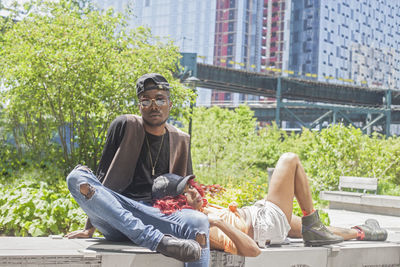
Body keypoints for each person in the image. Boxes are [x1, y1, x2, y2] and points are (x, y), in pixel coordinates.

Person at [65, 73, 210, 266]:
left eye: (160, 99)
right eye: (146, 100)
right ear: (139, 106)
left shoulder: (181, 139)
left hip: (155, 215)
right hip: (116, 215)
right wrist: (89, 228)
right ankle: (156, 241)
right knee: (76, 177)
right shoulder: (125, 125)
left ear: (170, 104)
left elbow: (187, 188)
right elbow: (101, 179)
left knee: (198, 222)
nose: (154, 106)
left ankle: (154, 238)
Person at [151, 153, 388, 257]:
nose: (194, 190)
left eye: (191, 186)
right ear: (176, 203)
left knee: (311, 228)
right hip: (265, 223)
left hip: (262, 218)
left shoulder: (196, 211)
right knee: (289, 160)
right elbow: (246, 247)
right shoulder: (200, 224)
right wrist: (220, 220)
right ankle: (313, 223)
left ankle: (362, 232)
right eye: (186, 192)